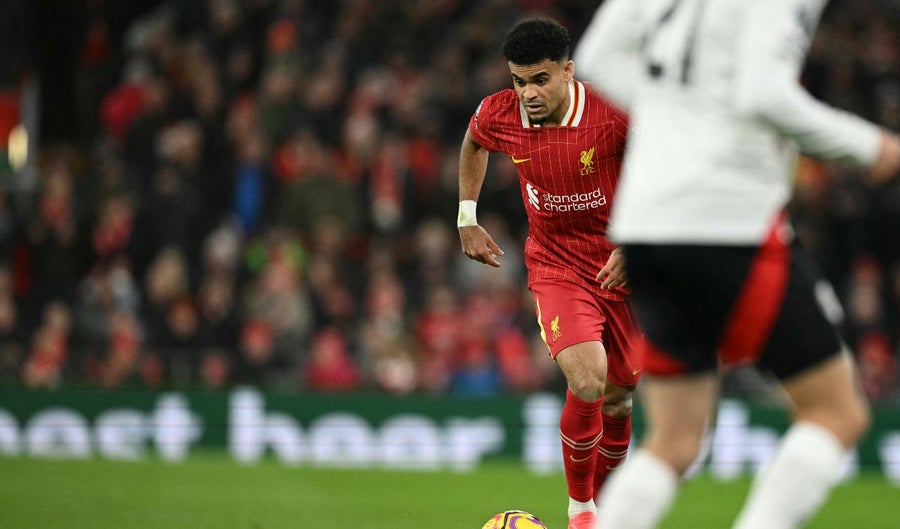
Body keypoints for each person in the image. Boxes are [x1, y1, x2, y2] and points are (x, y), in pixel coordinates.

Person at [573, 0, 900, 528]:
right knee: (836, 412)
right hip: (728, 219)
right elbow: (762, 92)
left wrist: (678, 118)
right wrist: (869, 145)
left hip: (644, 221)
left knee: (674, 442)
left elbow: (598, 56)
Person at [457, 18, 640, 529]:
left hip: (620, 268)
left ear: (567, 71)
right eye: (519, 81)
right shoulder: (499, 112)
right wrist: (467, 216)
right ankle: (581, 509)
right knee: (588, 377)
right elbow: (473, 143)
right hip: (557, 265)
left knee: (619, 400)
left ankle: (607, 510)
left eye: (540, 79)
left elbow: (662, 168)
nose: (528, 93)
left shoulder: (612, 114)